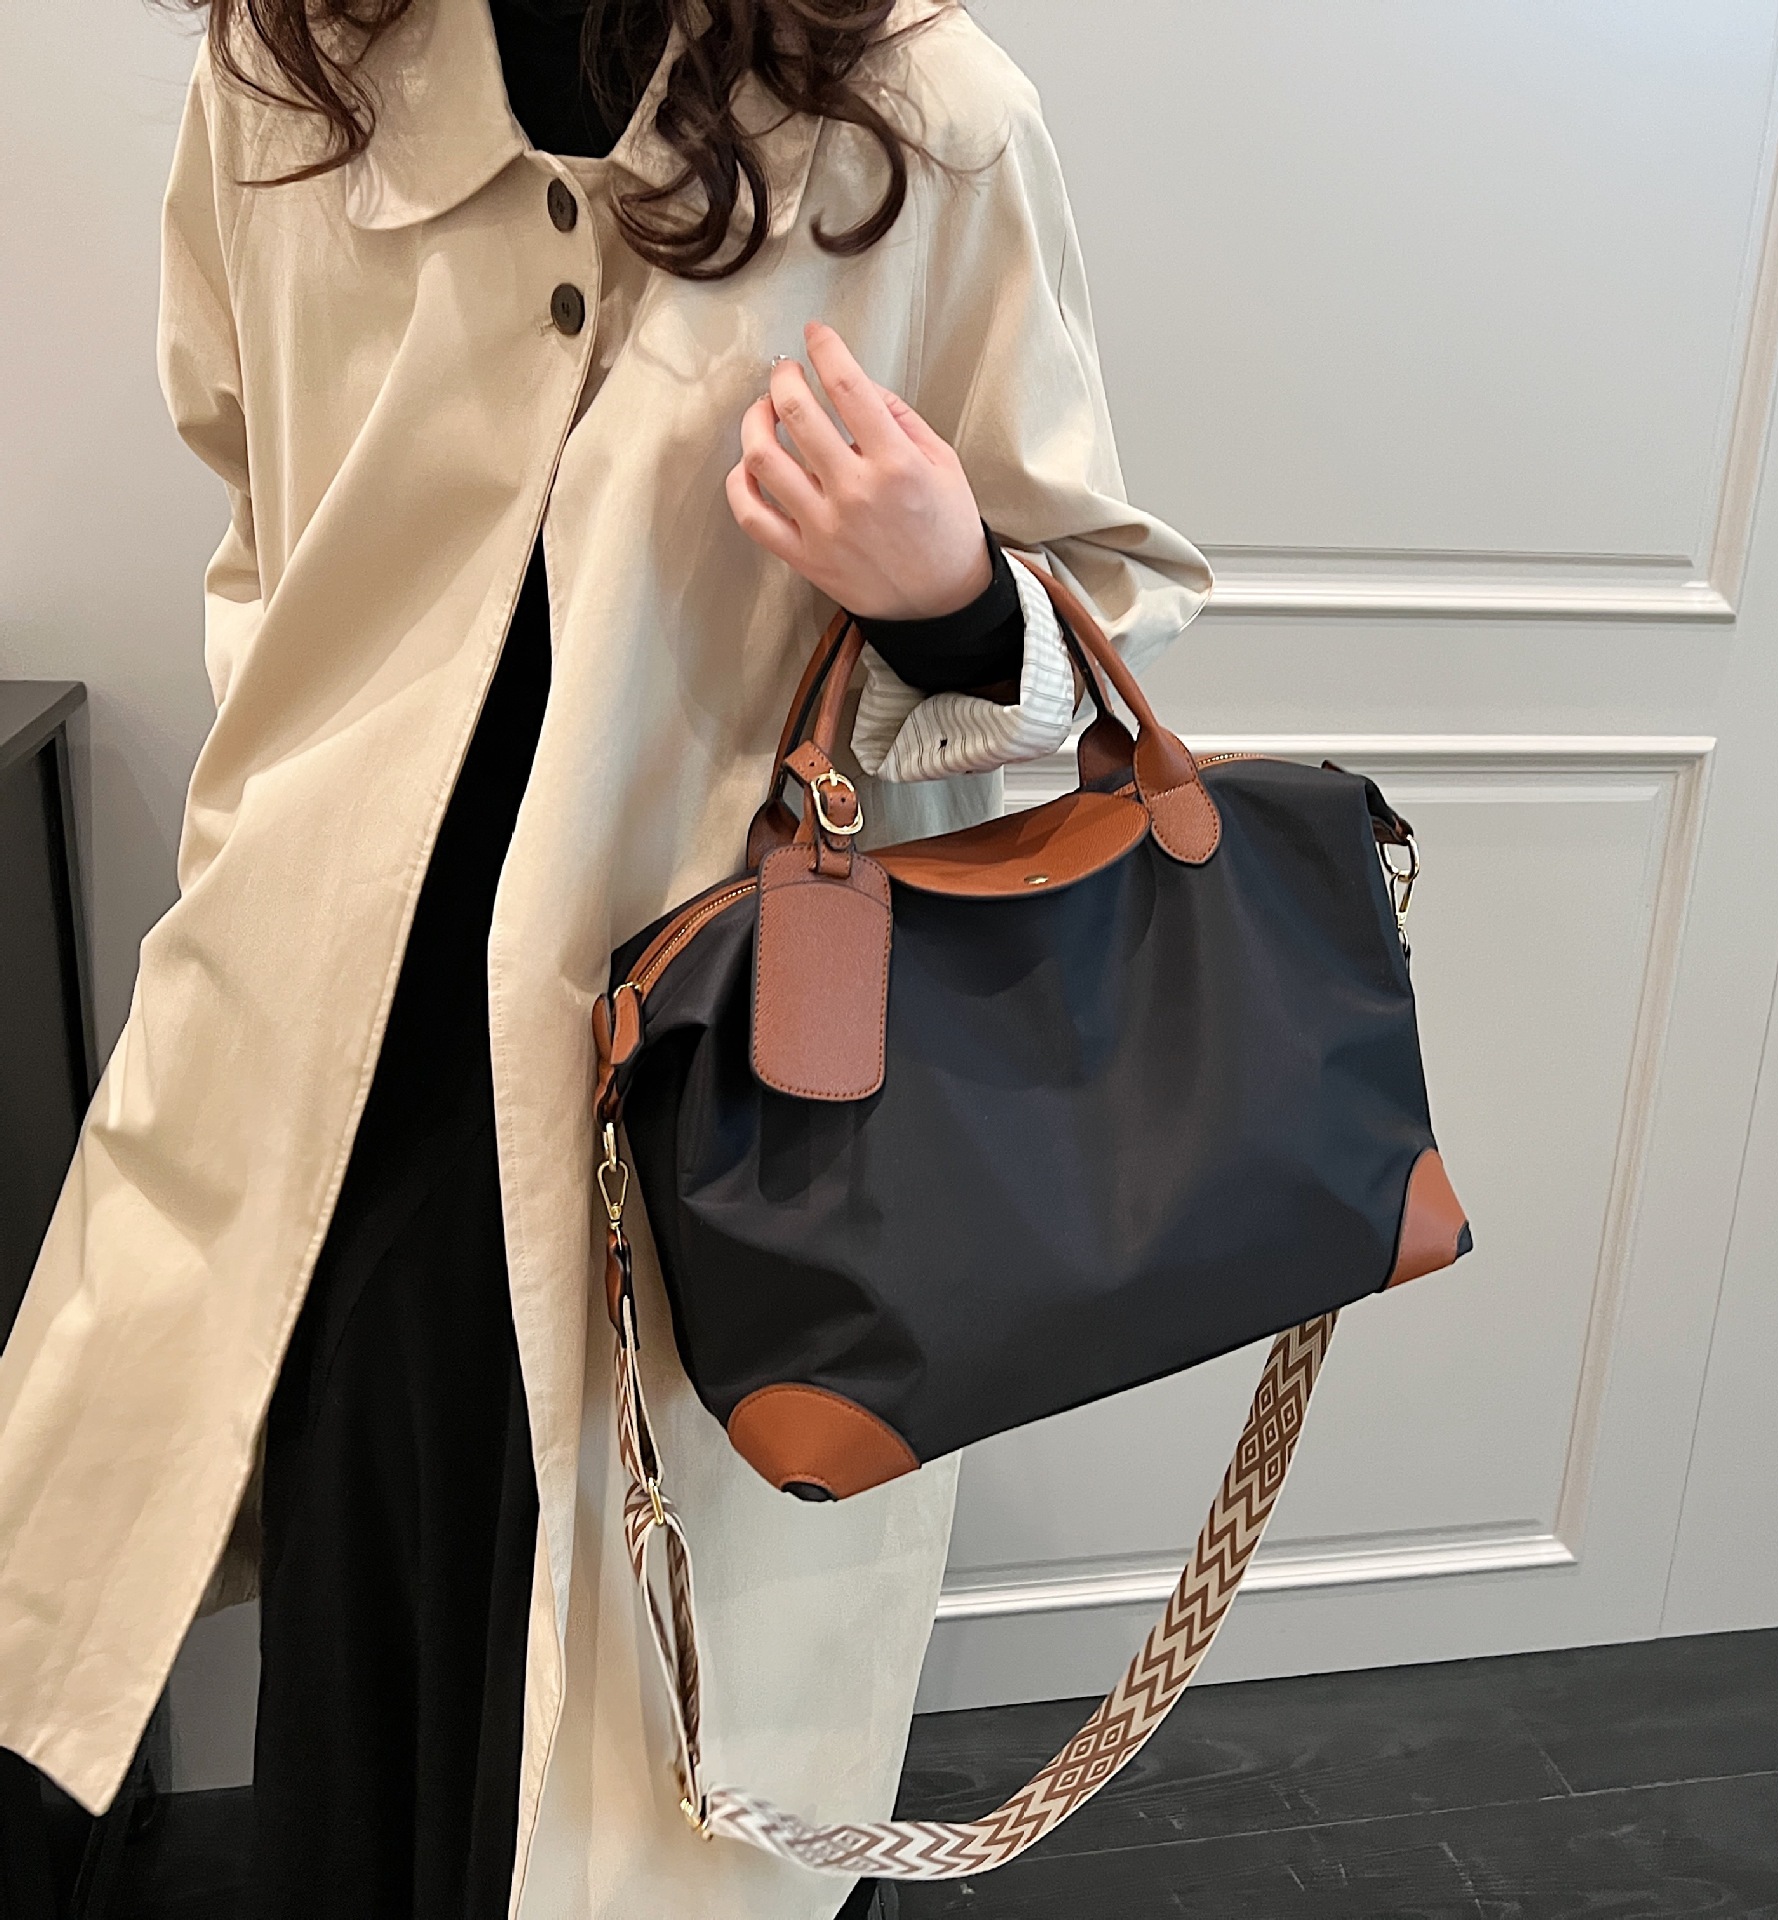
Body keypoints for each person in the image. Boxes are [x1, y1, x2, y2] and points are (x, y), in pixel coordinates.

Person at [0, 0, 1209, 1913]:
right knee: (376, 1712)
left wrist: (954, 594)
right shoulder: (289, 72)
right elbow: (258, 512)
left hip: (727, 1131)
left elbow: (1094, 641)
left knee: (649, 1792)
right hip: (347, 1094)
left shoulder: (921, 118)